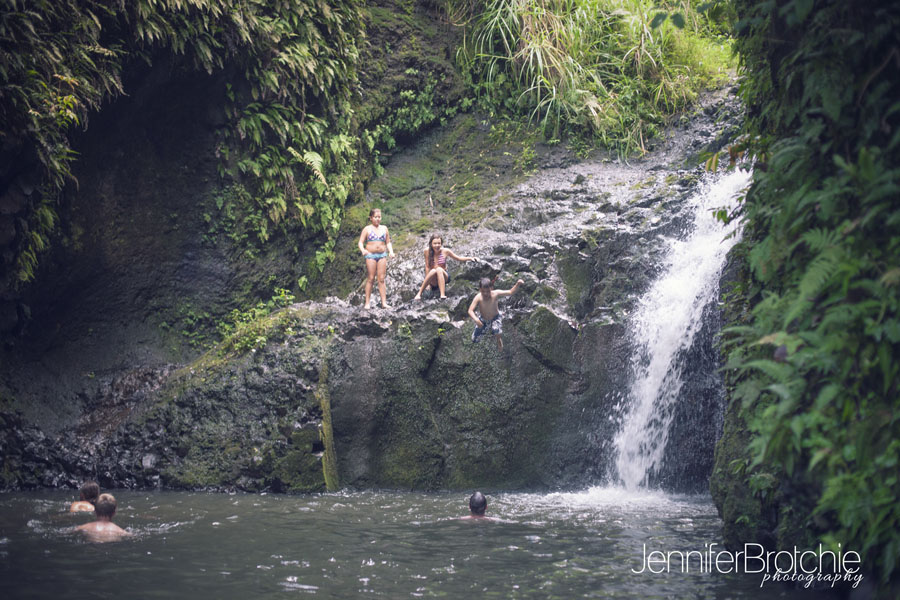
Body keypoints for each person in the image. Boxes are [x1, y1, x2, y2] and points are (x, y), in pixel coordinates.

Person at [414, 234, 476, 300]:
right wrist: (428, 284)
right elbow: (427, 267)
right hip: (434, 279)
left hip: (444, 276)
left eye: (439, 243)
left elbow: (458, 258)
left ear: (441, 244)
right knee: (433, 271)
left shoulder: (445, 251)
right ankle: (419, 294)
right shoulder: (427, 251)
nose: (437, 245)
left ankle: (442, 295)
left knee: (439, 269)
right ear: (431, 244)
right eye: (435, 243)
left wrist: (471, 258)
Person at [468, 276, 524, 350]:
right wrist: (476, 320)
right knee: (475, 340)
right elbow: (470, 310)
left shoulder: (496, 293)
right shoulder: (478, 297)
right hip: (483, 319)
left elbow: (510, 292)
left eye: (488, 291)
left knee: (496, 329)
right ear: (480, 289)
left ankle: (498, 339)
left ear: (491, 288)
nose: (486, 294)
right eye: (483, 291)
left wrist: (517, 284)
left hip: (495, 317)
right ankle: (485, 329)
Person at [357, 208, 395, 309]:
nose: (378, 219)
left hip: (382, 255)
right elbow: (360, 242)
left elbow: (388, 242)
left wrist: (391, 251)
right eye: (375, 217)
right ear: (371, 218)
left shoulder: (384, 228)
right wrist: (363, 250)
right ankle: (367, 303)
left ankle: (384, 303)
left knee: (381, 279)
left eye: (379, 217)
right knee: (370, 278)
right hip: (370, 255)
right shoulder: (367, 229)